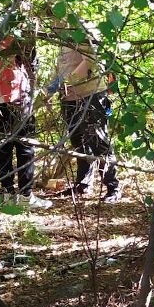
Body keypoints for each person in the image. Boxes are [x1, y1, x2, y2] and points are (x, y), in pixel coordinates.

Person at [0, 34, 51, 209]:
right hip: (13, 95)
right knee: (22, 146)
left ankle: (11, 194)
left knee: (5, 147)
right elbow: (30, 63)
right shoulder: (16, 35)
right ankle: (22, 195)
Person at [53, 20, 121, 201]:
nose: (52, 23)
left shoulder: (81, 30)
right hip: (69, 99)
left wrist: (69, 82)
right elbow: (63, 68)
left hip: (91, 96)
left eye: (54, 18)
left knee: (99, 142)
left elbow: (90, 59)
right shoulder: (62, 39)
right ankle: (83, 184)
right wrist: (50, 89)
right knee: (79, 143)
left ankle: (112, 186)